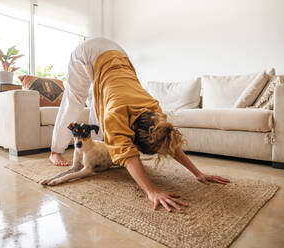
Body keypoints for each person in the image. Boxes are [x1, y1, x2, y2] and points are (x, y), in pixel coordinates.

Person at [50, 37, 230, 212]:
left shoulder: (154, 110)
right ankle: (55, 151)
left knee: (101, 105)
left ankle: (96, 154)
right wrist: (152, 191)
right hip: (88, 52)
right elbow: (126, 152)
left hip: (118, 53)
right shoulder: (116, 114)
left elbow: (167, 140)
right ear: (133, 131)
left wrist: (197, 173)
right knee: (75, 98)